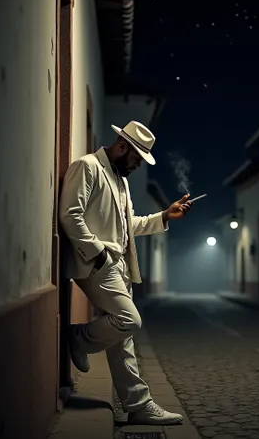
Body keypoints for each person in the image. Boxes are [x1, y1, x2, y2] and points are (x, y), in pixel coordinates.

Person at [59, 120, 192, 425]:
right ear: (122, 147)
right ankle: (77, 338)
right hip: (97, 262)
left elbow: (128, 225)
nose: (136, 166)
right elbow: (70, 215)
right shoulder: (87, 167)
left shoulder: (121, 179)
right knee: (128, 320)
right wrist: (99, 255)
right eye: (136, 159)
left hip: (118, 264)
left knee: (123, 339)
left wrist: (163, 216)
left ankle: (138, 404)